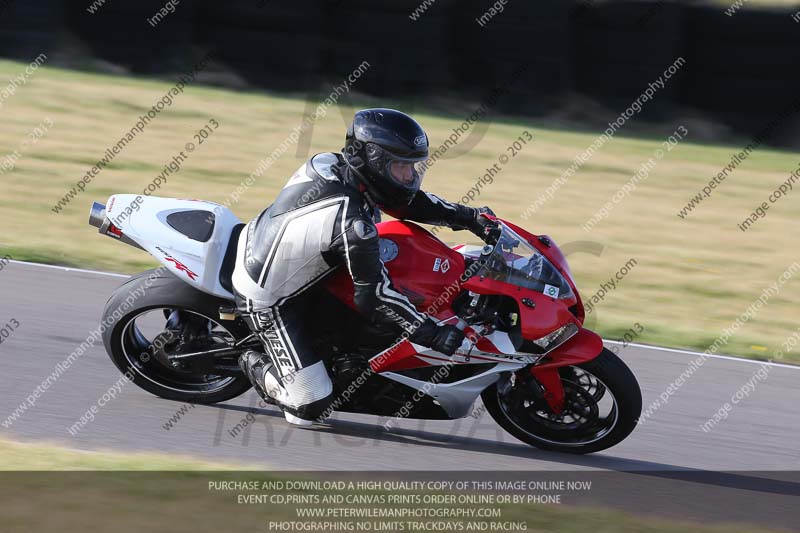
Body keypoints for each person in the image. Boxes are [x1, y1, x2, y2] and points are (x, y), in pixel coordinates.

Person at [231, 108, 499, 426]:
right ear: (370, 159)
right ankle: (254, 361)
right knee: (310, 406)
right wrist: (432, 334)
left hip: (299, 260)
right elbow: (373, 297)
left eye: (413, 167)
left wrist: (468, 217)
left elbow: (406, 202)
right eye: (400, 167)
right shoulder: (353, 225)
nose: (410, 176)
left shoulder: (332, 163)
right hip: (268, 296)